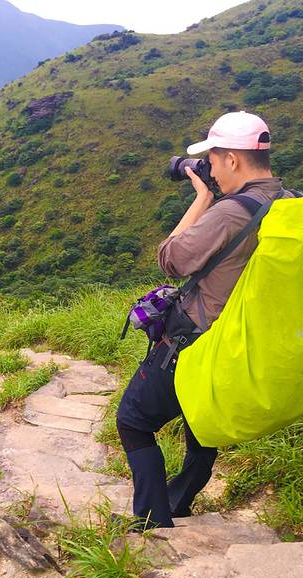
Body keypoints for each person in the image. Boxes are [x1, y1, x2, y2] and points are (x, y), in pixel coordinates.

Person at [115, 111, 297, 529]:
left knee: (133, 420)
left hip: (194, 341)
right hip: (239, 341)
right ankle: (178, 502)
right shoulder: (288, 203)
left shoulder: (232, 211)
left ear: (232, 159)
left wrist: (202, 199)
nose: (210, 170)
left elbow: (171, 259)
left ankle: (151, 520)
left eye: (213, 160)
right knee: (200, 421)